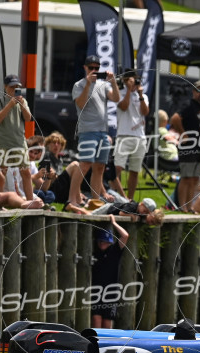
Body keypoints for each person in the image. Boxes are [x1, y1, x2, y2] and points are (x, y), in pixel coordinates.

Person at [70, 54, 120, 206]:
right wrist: (87, 84)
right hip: (87, 131)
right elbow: (80, 104)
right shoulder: (79, 85)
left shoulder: (103, 85)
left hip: (102, 132)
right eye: (91, 68)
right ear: (85, 68)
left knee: (100, 167)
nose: (94, 71)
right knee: (85, 165)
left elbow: (116, 99)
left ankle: (96, 201)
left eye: (97, 68)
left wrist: (113, 82)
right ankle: (72, 199)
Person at [171, 80, 200, 211]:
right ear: (194, 92)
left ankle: (190, 206)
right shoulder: (188, 105)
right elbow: (175, 118)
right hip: (188, 147)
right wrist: (183, 133)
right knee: (186, 177)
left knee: (195, 178)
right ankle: (182, 207)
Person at [0, 74, 36, 204]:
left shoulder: (23, 101)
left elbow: (28, 118)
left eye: (17, 87)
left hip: (19, 142)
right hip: (3, 142)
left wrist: (22, 105)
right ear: (5, 87)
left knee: (26, 172)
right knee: (2, 173)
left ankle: (30, 203)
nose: (14, 89)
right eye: (12, 87)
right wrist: (10, 105)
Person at [115, 70, 150, 199]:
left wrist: (140, 95)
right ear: (125, 81)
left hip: (139, 137)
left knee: (134, 171)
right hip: (124, 135)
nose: (133, 83)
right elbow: (124, 106)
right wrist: (129, 90)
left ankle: (130, 199)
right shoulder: (119, 93)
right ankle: (117, 196)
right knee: (117, 169)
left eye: (135, 80)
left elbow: (145, 112)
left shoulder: (143, 96)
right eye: (130, 80)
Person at [91, 218, 129, 329]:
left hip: (111, 292)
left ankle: (107, 340)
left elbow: (125, 235)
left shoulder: (115, 250)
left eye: (105, 241)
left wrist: (114, 223)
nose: (103, 243)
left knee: (107, 322)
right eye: (101, 241)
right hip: (96, 291)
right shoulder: (96, 253)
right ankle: (95, 339)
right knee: (96, 318)